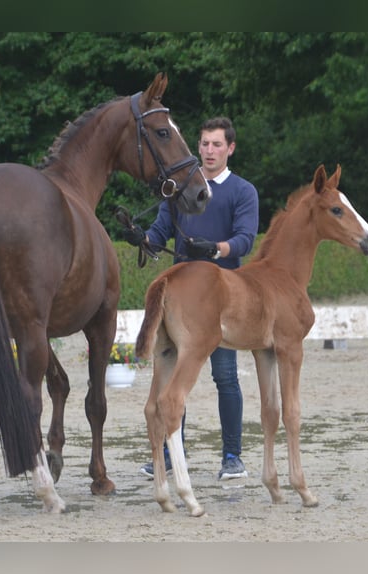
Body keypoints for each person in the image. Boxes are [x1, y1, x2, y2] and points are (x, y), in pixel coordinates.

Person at [122, 116, 259, 481]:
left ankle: (232, 456)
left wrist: (215, 249)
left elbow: (245, 239)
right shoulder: (181, 187)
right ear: (197, 147)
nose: (209, 151)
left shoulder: (243, 192)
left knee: (225, 377)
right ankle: (168, 454)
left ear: (230, 148)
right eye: (204, 144)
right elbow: (162, 230)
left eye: (217, 145)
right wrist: (144, 239)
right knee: (171, 379)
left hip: (223, 294)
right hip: (182, 294)